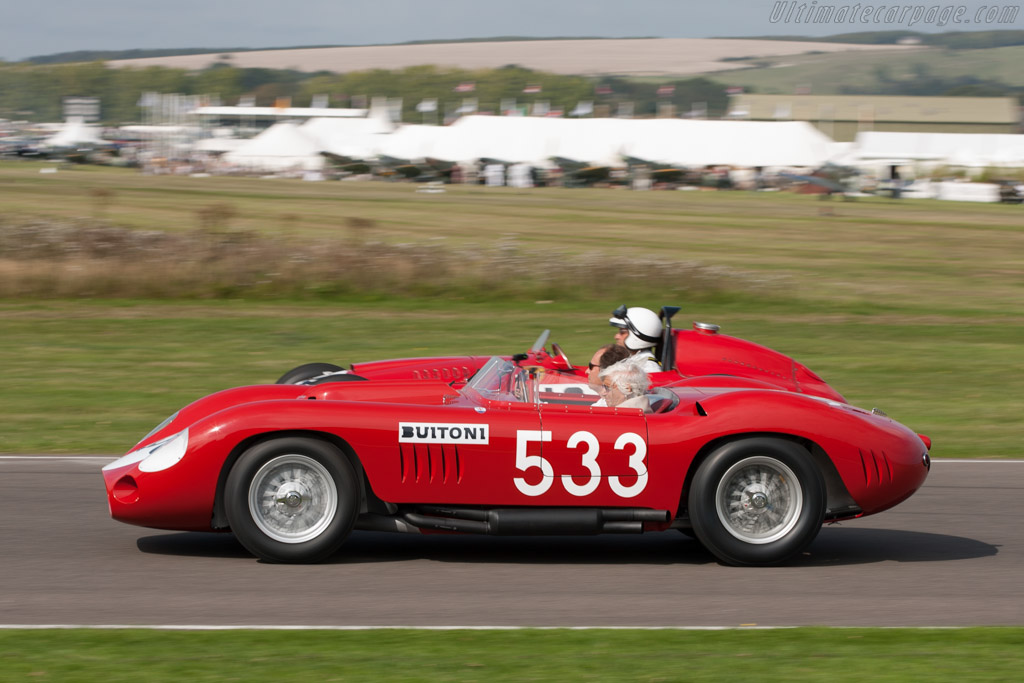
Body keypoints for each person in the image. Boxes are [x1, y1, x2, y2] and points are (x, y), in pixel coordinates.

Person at [609, 305, 663, 373]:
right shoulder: (633, 360)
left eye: (622, 332)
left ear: (638, 336)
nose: (616, 336)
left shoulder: (648, 369)